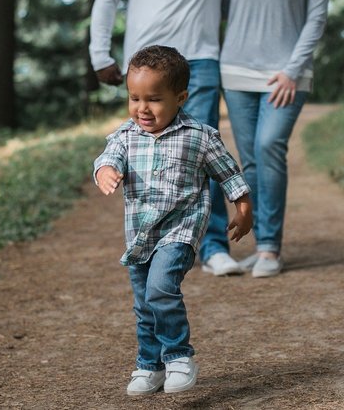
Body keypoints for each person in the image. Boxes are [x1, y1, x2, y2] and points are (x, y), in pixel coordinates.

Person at [89, 0, 248, 276]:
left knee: (202, 147)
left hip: (202, 57)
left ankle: (212, 247)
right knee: (147, 151)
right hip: (146, 67)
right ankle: (159, 242)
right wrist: (99, 53)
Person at [93, 45, 253, 395]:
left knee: (161, 289)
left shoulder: (198, 136)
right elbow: (107, 158)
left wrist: (243, 209)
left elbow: (229, 175)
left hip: (180, 231)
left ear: (180, 98)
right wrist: (105, 170)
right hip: (139, 236)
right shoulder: (125, 136)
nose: (142, 109)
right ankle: (150, 365)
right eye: (134, 98)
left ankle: (179, 356)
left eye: (153, 99)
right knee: (143, 303)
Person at [218, 0, 330, 277]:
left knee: (269, 146)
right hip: (236, 70)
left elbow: (316, 17)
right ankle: (261, 242)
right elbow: (223, 6)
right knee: (249, 159)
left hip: (286, 75)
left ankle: (270, 249)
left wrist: (292, 70)